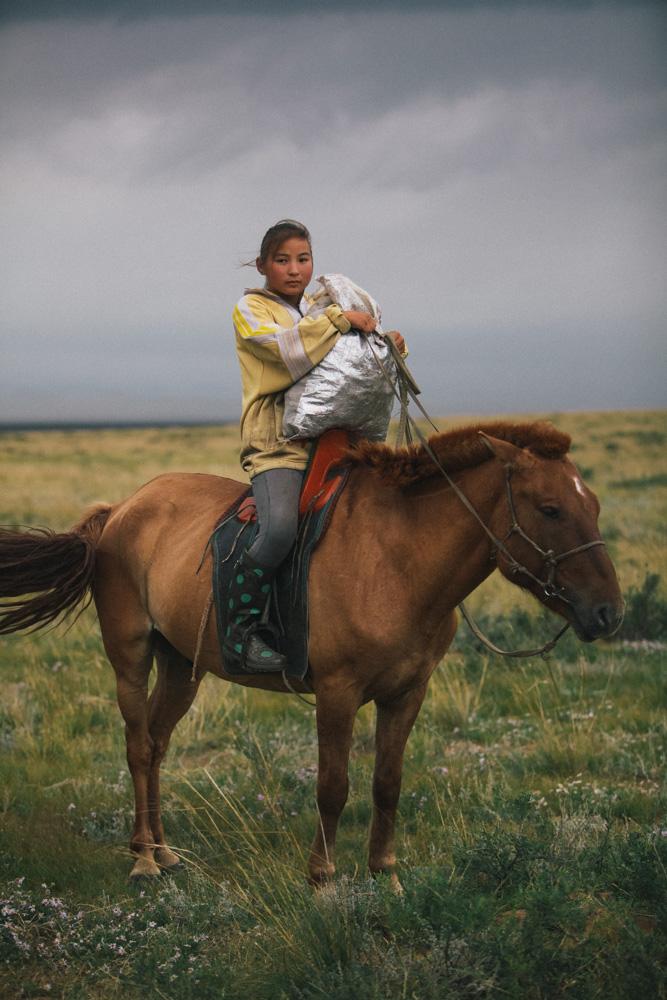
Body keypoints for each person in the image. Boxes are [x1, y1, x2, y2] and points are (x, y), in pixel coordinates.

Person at [226, 219, 405, 673]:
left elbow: (344, 369)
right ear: (264, 264)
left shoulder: (318, 309)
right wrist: (340, 320)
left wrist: (384, 347)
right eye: (282, 260)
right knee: (280, 529)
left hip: (333, 440)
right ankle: (241, 632)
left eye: (303, 259)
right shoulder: (251, 310)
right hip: (277, 446)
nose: (294, 270)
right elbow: (286, 352)